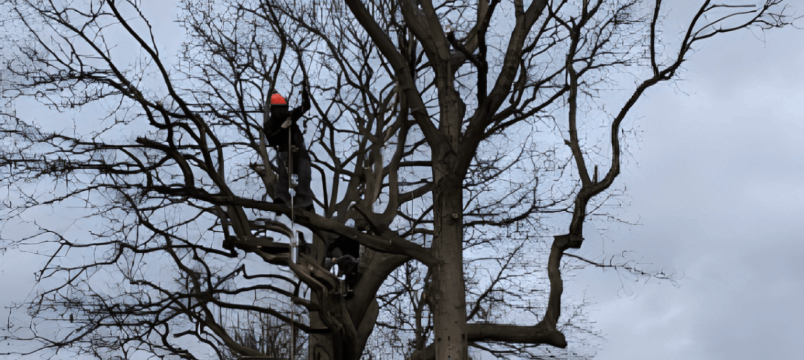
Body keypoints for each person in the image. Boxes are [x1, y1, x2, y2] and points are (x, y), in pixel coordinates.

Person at [263, 88, 313, 211]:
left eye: (283, 108)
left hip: (300, 151)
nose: (281, 111)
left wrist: (305, 91)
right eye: (278, 109)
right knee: (284, 175)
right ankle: (282, 199)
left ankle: (304, 201)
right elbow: (271, 140)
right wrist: (283, 127)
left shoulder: (290, 116)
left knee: (304, 174)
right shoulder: (271, 123)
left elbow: (305, 107)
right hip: (285, 152)